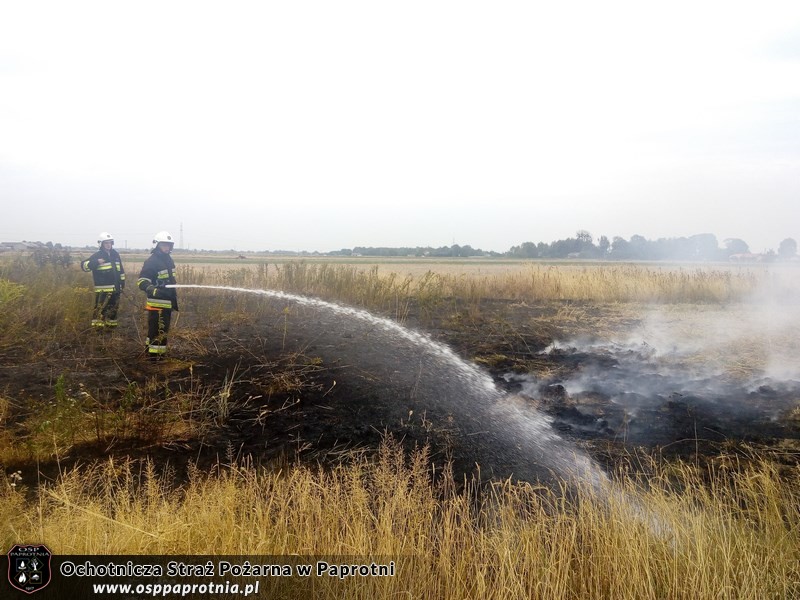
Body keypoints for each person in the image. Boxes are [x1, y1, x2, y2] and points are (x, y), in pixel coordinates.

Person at [137, 231, 179, 359]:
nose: (167, 248)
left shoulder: (168, 260)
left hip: (167, 302)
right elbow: (142, 281)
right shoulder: (152, 261)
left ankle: (156, 353)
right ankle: (154, 358)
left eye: (169, 245)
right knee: (156, 330)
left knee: (163, 330)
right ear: (157, 245)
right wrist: (152, 290)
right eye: (164, 245)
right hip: (156, 303)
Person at [81, 232, 126, 328]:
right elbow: (84, 266)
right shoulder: (97, 255)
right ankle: (97, 328)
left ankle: (111, 327)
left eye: (110, 242)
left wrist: (122, 283)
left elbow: (121, 270)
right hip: (102, 289)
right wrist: (96, 262)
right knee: (100, 308)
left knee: (113, 308)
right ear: (101, 244)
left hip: (116, 288)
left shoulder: (115, 254)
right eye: (106, 243)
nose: (108, 245)